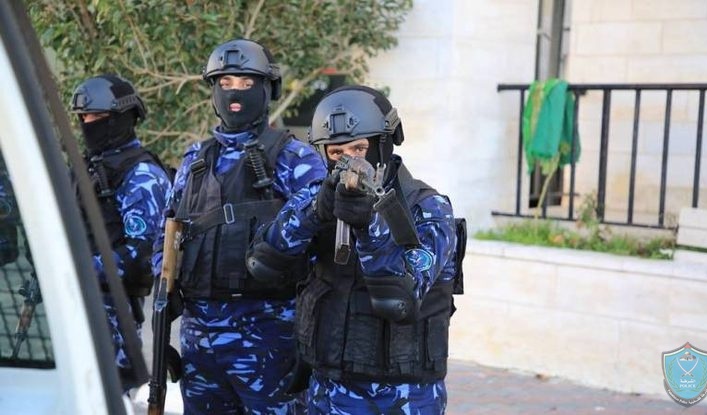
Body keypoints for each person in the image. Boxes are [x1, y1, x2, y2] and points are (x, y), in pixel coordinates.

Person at [247, 85, 459, 414]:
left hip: (401, 397)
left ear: (384, 144)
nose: (349, 161)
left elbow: (400, 299)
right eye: (336, 152)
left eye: (359, 148)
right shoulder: (317, 196)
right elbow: (263, 262)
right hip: (327, 391)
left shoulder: (427, 208)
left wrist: (369, 225)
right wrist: (315, 212)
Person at [152, 38, 326, 414]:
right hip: (201, 341)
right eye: (225, 83)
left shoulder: (296, 159)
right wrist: (163, 308)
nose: (235, 93)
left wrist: (310, 338)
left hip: (269, 339)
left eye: (247, 83)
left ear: (268, 89)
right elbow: (166, 235)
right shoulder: (195, 160)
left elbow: (323, 250)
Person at [69, 74, 173, 391]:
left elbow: (142, 252)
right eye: (84, 117)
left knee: (107, 396)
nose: (88, 124)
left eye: (97, 116)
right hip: (73, 303)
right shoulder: (85, 168)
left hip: (114, 313)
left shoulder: (141, 174)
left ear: (123, 117)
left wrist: (82, 269)